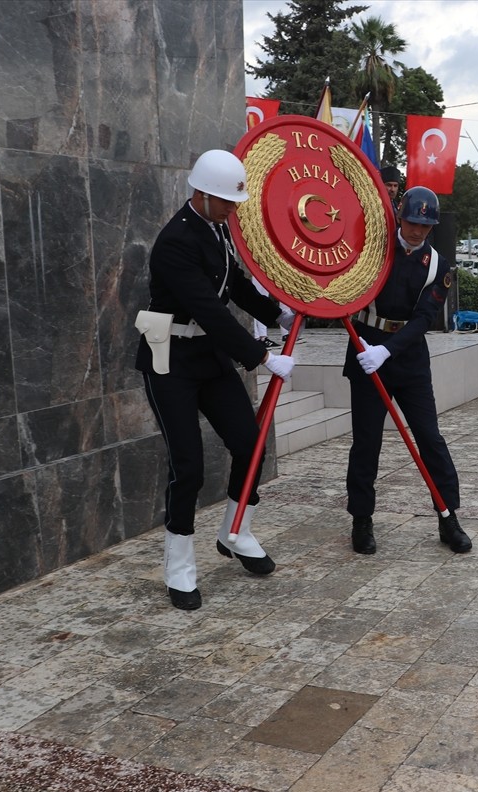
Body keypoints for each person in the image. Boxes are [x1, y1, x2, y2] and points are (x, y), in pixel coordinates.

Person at [134, 149, 296, 610]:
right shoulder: (175, 242)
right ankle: (179, 566)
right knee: (188, 466)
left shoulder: (216, 226)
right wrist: (261, 356)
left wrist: (276, 312)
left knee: (250, 444)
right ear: (201, 194)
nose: (233, 209)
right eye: (226, 201)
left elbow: (236, 285)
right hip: (171, 360)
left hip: (208, 355)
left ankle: (235, 530)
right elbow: (207, 305)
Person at [345, 186, 471, 555]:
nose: (417, 231)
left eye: (425, 225)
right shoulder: (372, 249)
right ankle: (361, 518)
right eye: (412, 222)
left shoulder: (438, 265)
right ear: (400, 216)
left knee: (430, 438)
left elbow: (423, 319)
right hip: (366, 349)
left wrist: (389, 350)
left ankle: (448, 517)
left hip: (409, 358)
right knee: (367, 443)